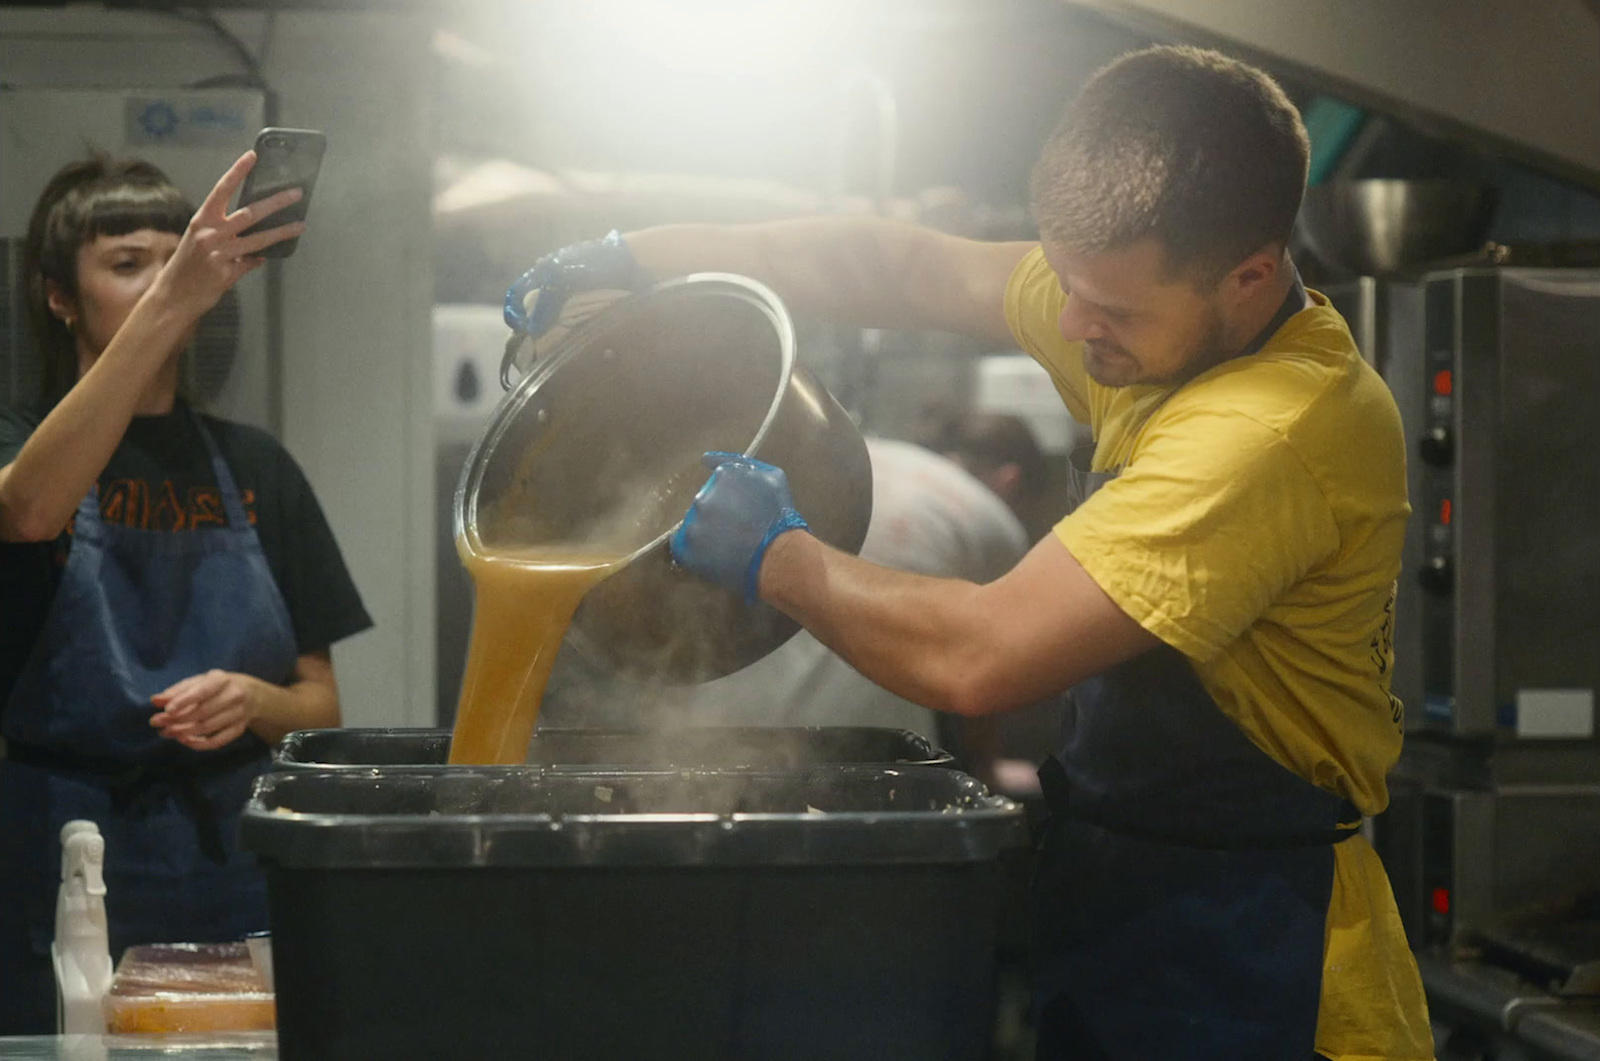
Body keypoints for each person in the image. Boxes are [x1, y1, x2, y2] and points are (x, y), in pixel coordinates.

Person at [505, 45, 1431, 1061]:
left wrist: (779, 555)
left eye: (1111, 310)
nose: (1071, 326)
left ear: (1249, 276)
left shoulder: (1270, 430)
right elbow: (902, 265)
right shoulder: (1148, 317)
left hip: (1263, 950)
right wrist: (634, 255)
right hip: (1131, 899)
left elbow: (978, 655)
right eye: (1066, 285)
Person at [0, 154, 372, 1033]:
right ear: (59, 295)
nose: (160, 281)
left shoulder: (257, 468)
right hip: (65, 856)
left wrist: (254, 698)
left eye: (175, 261)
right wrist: (179, 296)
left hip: (229, 856)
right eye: (128, 263)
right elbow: (27, 509)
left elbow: (319, 705)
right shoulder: (20, 443)